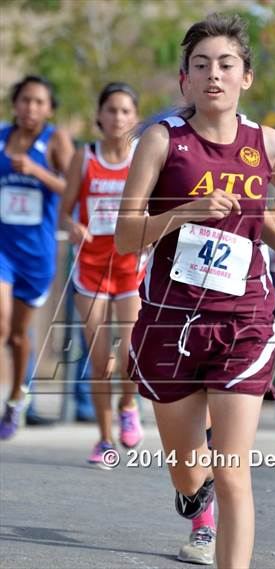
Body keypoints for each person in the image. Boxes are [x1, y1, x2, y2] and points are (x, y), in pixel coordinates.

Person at [116, 13, 275, 569]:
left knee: (235, 471)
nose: (214, 75)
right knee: (189, 467)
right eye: (201, 66)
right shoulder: (161, 141)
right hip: (169, 320)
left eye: (226, 64)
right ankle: (191, 494)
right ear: (184, 80)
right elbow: (124, 237)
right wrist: (184, 211)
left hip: (244, 321)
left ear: (245, 77)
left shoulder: (265, 141)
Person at [61, 82, 145, 464]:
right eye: (111, 110)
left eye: (126, 111)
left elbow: (156, 206)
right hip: (91, 269)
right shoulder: (85, 157)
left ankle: (129, 404)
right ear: (99, 115)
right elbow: (63, 210)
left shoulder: (141, 159)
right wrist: (73, 226)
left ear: (136, 118)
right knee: (99, 360)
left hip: (129, 267)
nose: (118, 117)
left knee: (129, 354)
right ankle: (104, 439)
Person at [0, 75, 74, 439]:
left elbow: (76, 185)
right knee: (1, 325)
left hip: (36, 252)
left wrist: (38, 171)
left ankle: (16, 398)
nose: (31, 108)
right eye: (25, 100)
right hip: (2, 247)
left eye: (39, 102)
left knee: (17, 336)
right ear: (14, 104)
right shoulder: (1, 137)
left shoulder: (54, 141)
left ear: (49, 109)